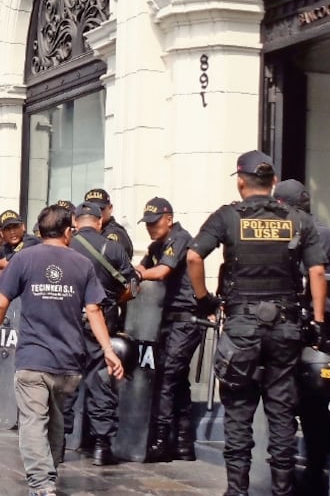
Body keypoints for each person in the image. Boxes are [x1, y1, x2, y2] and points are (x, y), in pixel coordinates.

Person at [187, 150, 328, 496]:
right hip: (285, 326)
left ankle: (237, 490)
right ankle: (282, 489)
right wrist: (318, 321)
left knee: (238, 410)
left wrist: (204, 299)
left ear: (240, 182)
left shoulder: (227, 217)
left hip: (241, 327)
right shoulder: (297, 219)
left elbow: (193, 256)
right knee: (282, 412)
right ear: (273, 182)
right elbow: (317, 271)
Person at [0, 204, 124, 496]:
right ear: (69, 231)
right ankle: (50, 474)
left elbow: (0, 303)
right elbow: (94, 310)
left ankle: (42, 484)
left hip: (33, 359)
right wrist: (108, 350)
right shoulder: (82, 264)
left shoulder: (24, 259)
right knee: (56, 419)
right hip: (69, 361)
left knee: (34, 421)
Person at [273, 179, 330, 494]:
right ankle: (298, 471)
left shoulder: (315, 233)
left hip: (314, 328)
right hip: (301, 327)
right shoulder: (305, 230)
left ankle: (313, 470)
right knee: (297, 402)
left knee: (311, 402)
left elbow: (311, 275)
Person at [61, 201, 134, 465]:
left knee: (65, 383)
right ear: (100, 221)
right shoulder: (112, 247)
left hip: (68, 323)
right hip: (102, 323)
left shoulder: (66, 245)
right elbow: (132, 285)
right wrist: (113, 301)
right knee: (101, 381)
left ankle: (59, 442)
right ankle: (102, 446)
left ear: (75, 221)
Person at [134, 197, 199, 463]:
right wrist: (133, 271)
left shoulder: (180, 238)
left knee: (166, 377)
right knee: (178, 380)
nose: (150, 228)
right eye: (147, 224)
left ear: (169, 219)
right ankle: (183, 443)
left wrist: (138, 275)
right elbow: (143, 265)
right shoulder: (156, 245)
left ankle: (161, 442)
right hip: (169, 321)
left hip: (185, 320)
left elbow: (161, 272)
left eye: (155, 222)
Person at [0, 209, 41, 273]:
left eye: (15, 227)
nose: (12, 232)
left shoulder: (31, 241)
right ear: (2, 233)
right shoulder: (6, 246)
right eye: (7, 229)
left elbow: (10, 264)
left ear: (23, 227)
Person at [84, 188, 135, 258]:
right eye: (91, 209)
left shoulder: (116, 234)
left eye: (100, 209)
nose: (95, 212)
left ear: (110, 208)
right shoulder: (83, 231)